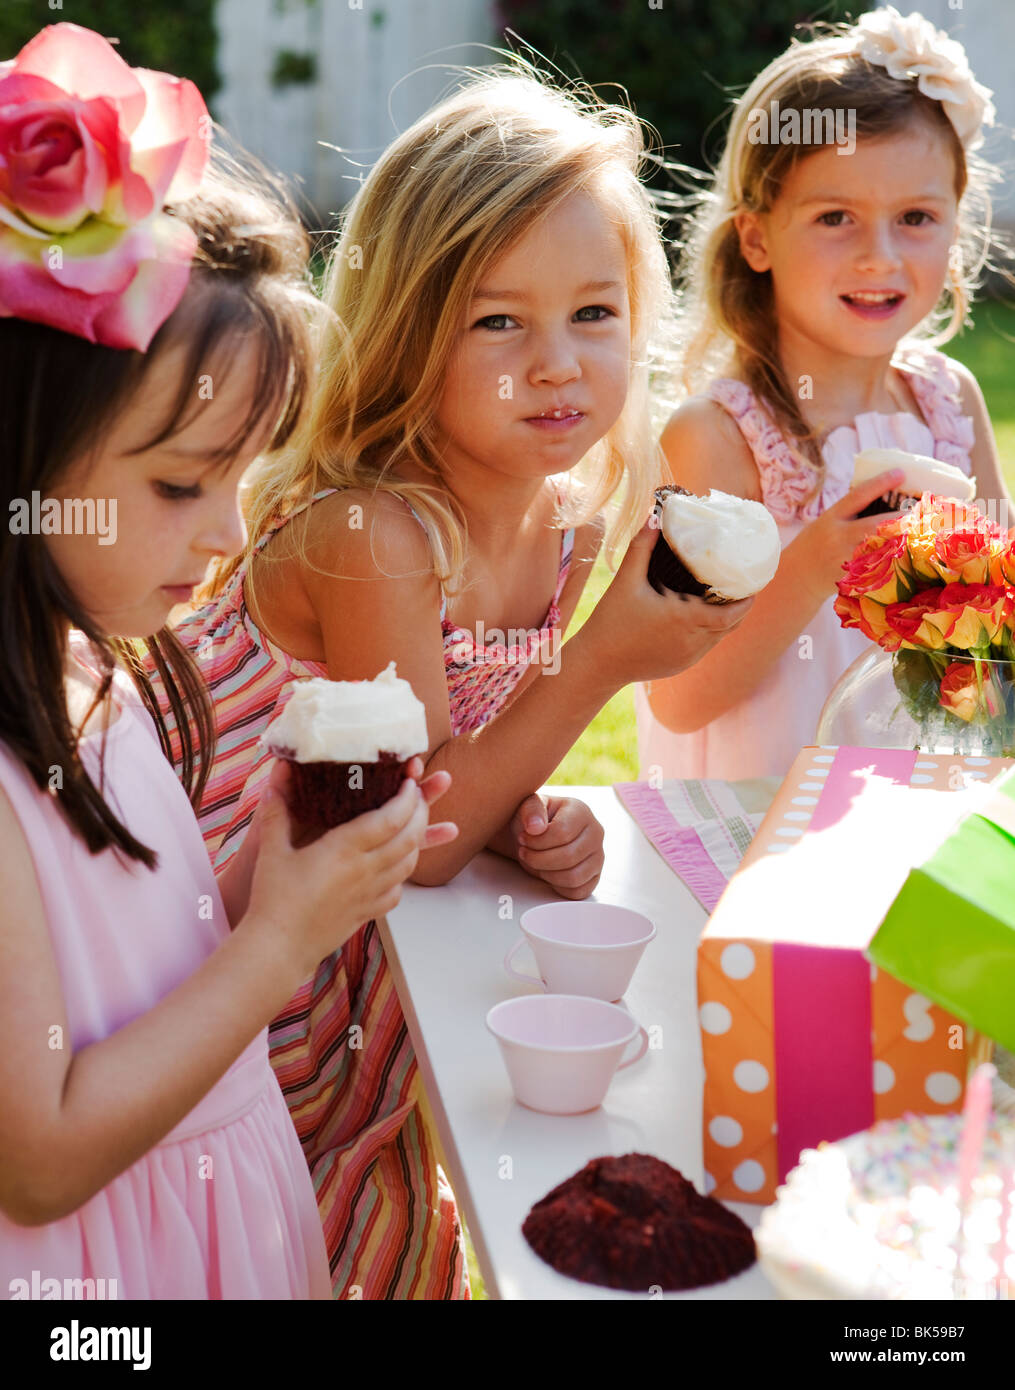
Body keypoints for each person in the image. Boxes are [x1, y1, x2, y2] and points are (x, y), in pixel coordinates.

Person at [159, 64, 751, 1297]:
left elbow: (461, 785)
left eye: (594, 313)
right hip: (246, 945)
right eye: (497, 322)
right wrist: (598, 667)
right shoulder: (372, 532)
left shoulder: (573, 517)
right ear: (407, 328)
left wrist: (519, 825)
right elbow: (415, 829)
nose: (556, 367)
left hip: (374, 925)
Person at [0, 23, 451, 1300]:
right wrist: (282, 943)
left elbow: (144, 968)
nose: (231, 533)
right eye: (182, 482)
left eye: (245, 477)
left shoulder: (103, 663)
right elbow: (37, 1158)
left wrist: (263, 869)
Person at [636, 5, 1012, 781]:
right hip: (746, 833)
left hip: (904, 819)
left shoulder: (948, 403)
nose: (878, 256)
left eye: (914, 217)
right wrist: (811, 565)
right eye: (835, 217)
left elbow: (994, 640)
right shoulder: (717, 438)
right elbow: (673, 697)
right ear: (756, 237)